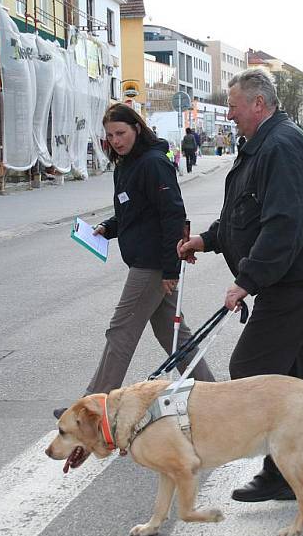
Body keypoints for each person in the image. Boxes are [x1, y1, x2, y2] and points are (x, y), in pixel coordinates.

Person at [178, 68, 303, 502]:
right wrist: (208, 239)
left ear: (258, 103)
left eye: (233, 105)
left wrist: (247, 281)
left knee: (252, 368)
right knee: (299, 377)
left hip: (299, 279)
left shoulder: (282, 146)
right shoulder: (263, 145)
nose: (229, 113)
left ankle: (280, 472)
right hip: (298, 276)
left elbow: (284, 225)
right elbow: (245, 213)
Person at [54, 104, 213, 419]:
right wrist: (108, 228)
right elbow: (135, 210)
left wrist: (170, 269)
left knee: (120, 332)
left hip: (152, 264)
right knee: (173, 334)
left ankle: (91, 409)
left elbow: (172, 216)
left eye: (121, 133)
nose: (115, 140)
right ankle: (214, 397)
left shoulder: (154, 163)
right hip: (148, 261)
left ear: (137, 129)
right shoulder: (128, 164)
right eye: (110, 135)